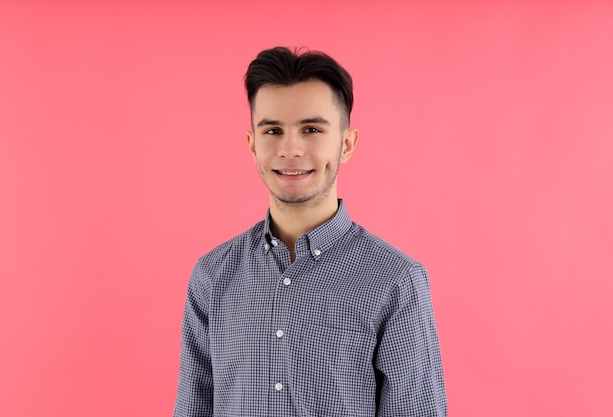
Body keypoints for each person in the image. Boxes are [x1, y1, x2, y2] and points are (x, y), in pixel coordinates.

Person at [173, 46, 447, 416]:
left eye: (312, 129)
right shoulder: (212, 275)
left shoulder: (396, 281)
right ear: (252, 145)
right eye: (273, 130)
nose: (290, 149)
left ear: (346, 144)